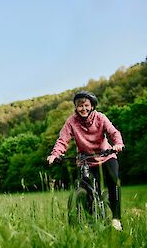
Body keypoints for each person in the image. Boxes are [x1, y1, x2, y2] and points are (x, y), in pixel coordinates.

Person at [46, 91, 125, 230]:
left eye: (86, 105)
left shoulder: (100, 118)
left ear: (92, 106)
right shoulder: (71, 121)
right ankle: (92, 222)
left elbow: (113, 132)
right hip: (86, 161)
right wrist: (55, 154)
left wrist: (118, 144)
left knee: (114, 182)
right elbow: (62, 140)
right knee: (88, 190)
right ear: (76, 107)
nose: (83, 108)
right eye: (79, 106)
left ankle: (116, 219)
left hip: (106, 156)